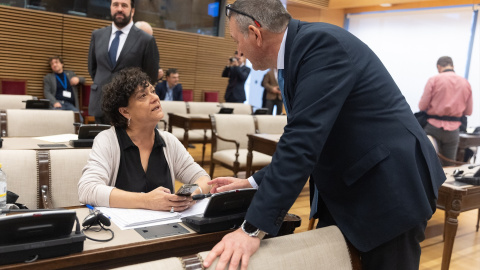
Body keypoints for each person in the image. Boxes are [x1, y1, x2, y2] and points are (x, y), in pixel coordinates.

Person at [203, 1, 446, 270]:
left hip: (389, 188)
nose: (238, 51)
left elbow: (303, 140)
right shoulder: (299, 50)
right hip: (354, 184)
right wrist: (253, 182)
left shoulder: (321, 45)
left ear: (256, 34)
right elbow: (311, 137)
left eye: (238, 41)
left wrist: (251, 230)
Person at [78, 67, 210, 211]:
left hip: (167, 229)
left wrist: (193, 194)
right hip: (122, 230)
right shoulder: (107, 140)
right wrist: (147, 201)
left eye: (153, 91)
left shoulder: (168, 141)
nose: (155, 98)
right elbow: (87, 190)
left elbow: (203, 178)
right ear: (125, 111)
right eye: (143, 96)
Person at [88, 0, 159, 124]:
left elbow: (150, 77)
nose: (119, 9)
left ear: (132, 10)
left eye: (124, 5)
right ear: (110, 7)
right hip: (100, 105)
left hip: (129, 108)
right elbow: (92, 68)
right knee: (101, 143)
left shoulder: (146, 40)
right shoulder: (97, 35)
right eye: (115, 4)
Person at [419, 56, 473, 165]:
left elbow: (422, 106)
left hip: (432, 128)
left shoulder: (434, 80)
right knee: (449, 166)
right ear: (452, 66)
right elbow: (468, 111)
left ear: (438, 67)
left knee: (428, 163)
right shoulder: (465, 83)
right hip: (453, 130)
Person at [43, 55, 84, 123]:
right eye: (52, 64)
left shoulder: (70, 74)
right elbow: (47, 92)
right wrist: (54, 102)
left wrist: (78, 79)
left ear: (62, 64)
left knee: (79, 120)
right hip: (58, 104)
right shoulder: (48, 77)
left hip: (70, 104)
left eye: (56, 62)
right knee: (54, 120)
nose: (54, 65)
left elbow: (83, 80)